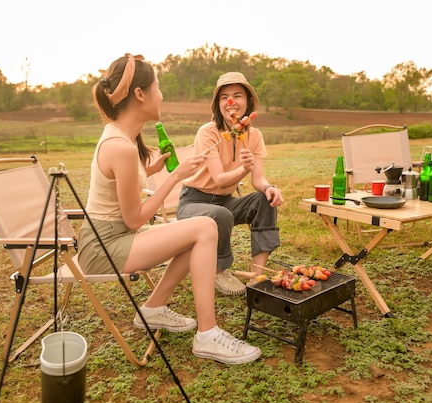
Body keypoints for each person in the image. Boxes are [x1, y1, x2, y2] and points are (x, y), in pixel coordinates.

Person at [76, 54, 261, 364]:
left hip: (113, 237)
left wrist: (151, 170)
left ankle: (152, 309)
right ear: (140, 94)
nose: (161, 95)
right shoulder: (120, 146)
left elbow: (119, 184)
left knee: (196, 231)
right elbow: (134, 219)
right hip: (103, 248)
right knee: (204, 227)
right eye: (158, 87)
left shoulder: (123, 137)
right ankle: (207, 334)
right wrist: (174, 176)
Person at [177, 72, 284, 296]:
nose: (231, 102)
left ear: (248, 102)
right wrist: (243, 168)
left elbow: (258, 179)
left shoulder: (254, 135)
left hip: (225, 202)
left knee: (264, 201)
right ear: (218, 104)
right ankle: (220, 269)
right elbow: (219, 179)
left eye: (237, 96)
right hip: (194, 203)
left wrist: (268, 188)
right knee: (220, 214)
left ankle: (257, 275)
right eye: (224, 97)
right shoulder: (207, 132)